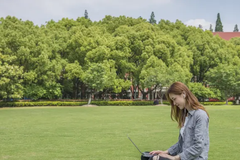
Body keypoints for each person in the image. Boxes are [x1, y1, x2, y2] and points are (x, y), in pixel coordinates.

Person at [149, 82, 209, 160]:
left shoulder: (200, 115)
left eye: (174, 99)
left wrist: (175, 158)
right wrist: (165, 152)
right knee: (148, 156)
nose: (174, 103)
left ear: (183, 94)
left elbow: (199, 146)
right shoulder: (186, 115)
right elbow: (181, 144)